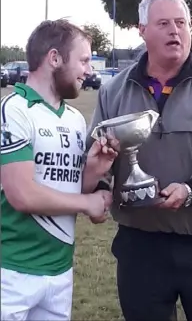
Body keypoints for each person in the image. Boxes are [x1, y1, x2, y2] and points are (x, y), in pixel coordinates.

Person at [87, 0, 192, 321]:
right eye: (164, 23)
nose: (175, 31)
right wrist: (99, 191)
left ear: (191, 29)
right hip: (140, 246)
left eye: (181, 23)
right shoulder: (113, 91)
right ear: (142, 30)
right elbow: (98, 154)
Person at [1, 19, 118, 321]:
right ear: (54, 59)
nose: (89, 70)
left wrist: (94, 171)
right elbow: (23, 195)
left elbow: (69, 189)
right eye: (83, 60)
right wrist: (87, 203)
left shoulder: (76, 120)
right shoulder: (13, 110)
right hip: (12, 272)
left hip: (60, 271)